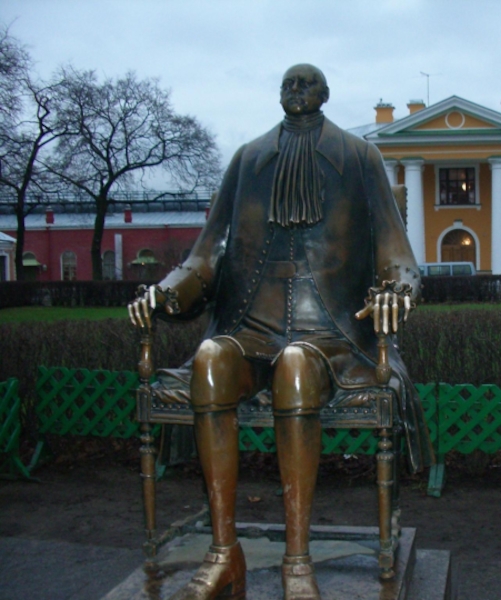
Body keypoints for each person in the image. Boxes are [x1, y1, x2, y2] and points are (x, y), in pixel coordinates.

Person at [128, 63, 432, 600]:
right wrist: (166, 292)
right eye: (289, 83)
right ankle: (224, 553)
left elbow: (397, 253)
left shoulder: (359, 157)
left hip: (333, 338)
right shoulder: (248, 159)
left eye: (306, 82)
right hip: (250, 329)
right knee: (209, 358)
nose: (296, 89)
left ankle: (297, 561)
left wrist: (399, 291)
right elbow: (204, 256)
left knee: (295, 364)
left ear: (325, 94)